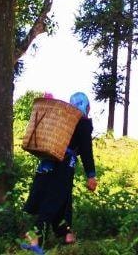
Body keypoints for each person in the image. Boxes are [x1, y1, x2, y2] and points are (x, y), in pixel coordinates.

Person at [21, 92, 98, 253]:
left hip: (47, 163)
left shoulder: (61, 119)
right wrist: (91, 174)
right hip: (64, 166)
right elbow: (86, 150)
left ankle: (67, 234)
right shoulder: (82, 123)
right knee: (54, 200)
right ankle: (34, 238)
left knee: (63, 200)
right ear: (87, 107)